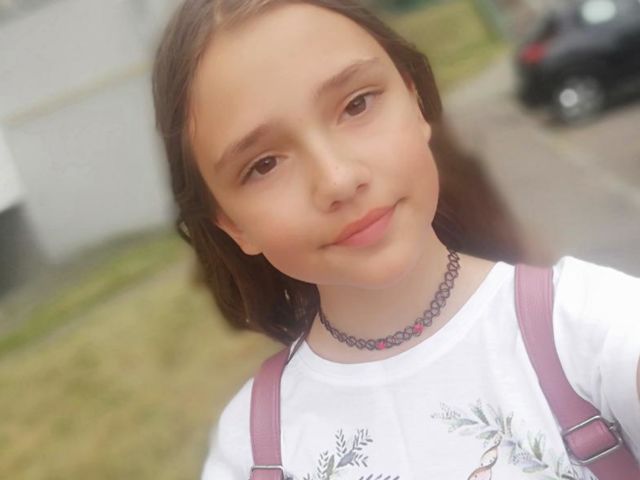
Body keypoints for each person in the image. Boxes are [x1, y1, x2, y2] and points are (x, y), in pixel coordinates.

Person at [151, 1, 640, 479]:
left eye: (356, 104)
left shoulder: (591, 330)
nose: (338, 180)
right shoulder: (252, 452)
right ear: (230, 223)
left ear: (415, 100)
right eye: (263, 165)